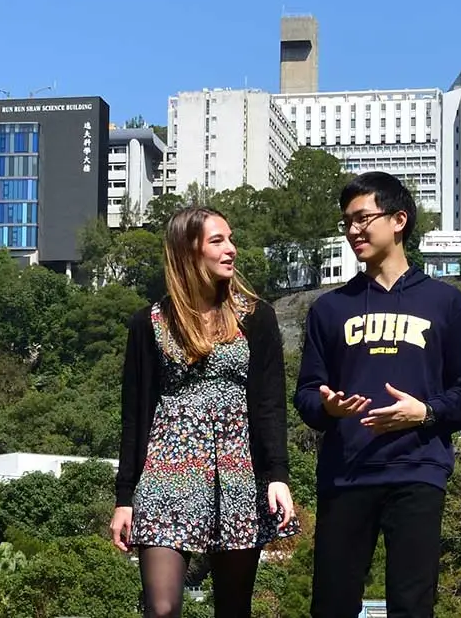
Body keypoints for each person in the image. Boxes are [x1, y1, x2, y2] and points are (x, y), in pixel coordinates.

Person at [294, 172, 461, 618]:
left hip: (417, 472)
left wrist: (426, 413)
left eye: (363, 218)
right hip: (346, 474)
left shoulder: (446, 303)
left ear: (399, 219)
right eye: (347, 221)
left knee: (412, 604)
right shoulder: (329, 308)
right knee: (332, 604)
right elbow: (305, 394)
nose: (353, 231)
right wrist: (326, 408)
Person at [110, 206, 299, 618]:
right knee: (161, 609)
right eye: (218, 241)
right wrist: (124, 498)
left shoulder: (257, 317)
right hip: (166, 469)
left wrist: (278, 475)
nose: (231, 249)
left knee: (233, 609)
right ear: (187, 252)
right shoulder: (149, 323)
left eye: (231, 240)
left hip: (238, 471)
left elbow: (269, 403)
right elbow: (135, 415)